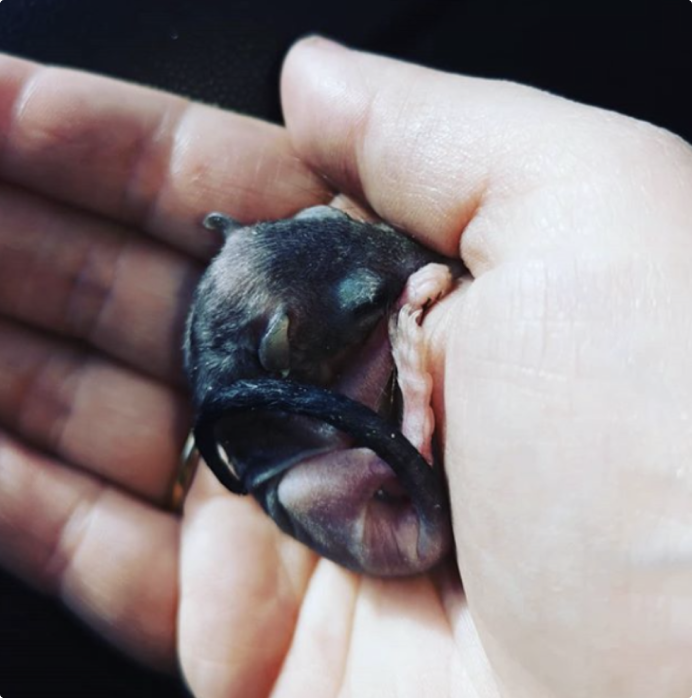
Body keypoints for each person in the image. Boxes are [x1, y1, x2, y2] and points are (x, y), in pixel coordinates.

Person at [0, 37, 690, 697]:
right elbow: (325, 420)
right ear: (287, 349)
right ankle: (405, 428)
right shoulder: (291, 396)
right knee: (303, 480)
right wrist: (406, 367)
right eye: (365, 302)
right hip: (376, 518)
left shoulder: (260, 297)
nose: (398, 263)